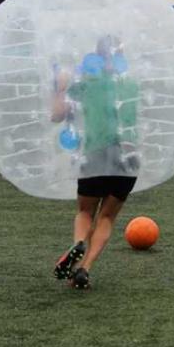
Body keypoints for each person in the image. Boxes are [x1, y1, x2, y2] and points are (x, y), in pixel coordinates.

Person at [50, 36, 140, 290]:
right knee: (108, 217)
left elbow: (57, 116)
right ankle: (85, 267)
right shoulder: (131, 82)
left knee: (85, 211)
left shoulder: (84, 84)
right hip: (129, 156)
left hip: (95, 154)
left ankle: (79, 242)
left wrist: (60, 88)